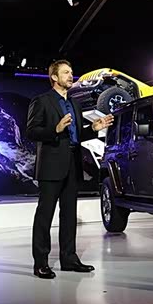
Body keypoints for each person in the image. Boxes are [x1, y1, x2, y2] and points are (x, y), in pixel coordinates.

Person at [26, 60, 114, 279]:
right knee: (45, 215)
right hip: (51, 166)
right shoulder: (42, 101)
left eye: (71, 72)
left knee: (69, 215)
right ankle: (41, 263)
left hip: (72, 165)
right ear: (54, 77)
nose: (70, 75)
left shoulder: (74, 103)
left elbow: (77, 135)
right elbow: (32, 131)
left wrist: (93, 128)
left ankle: (69, 259)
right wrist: (55, 129)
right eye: (65, 72)